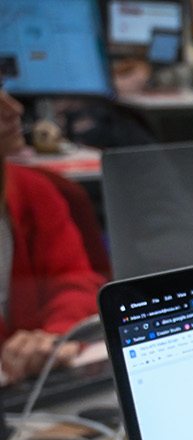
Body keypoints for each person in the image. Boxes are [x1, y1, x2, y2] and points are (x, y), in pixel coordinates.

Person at [0, 88, 107, 383]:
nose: (14, 108)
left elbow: (75, 280)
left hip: (38, 386)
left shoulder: (35, 191)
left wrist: (54, 337)